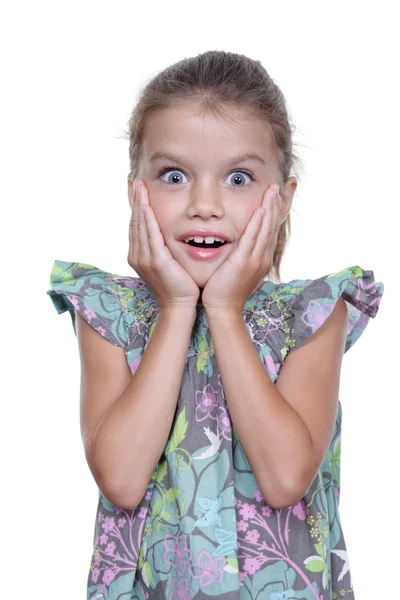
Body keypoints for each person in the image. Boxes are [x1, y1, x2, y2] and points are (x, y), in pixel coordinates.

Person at [46, 50, 384, 600]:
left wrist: (224, 311)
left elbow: (285, 478)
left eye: (239, 177)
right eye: (174, 175)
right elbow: (121, 479)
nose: (205, 204)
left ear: (283, 199)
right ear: (136, 189)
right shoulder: (106, 312)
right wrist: (177, 308)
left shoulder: (315, 312)